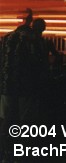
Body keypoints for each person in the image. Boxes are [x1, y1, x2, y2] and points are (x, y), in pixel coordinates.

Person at [0, 8, 33, 159]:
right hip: (24, 84)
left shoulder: (6, 38)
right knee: (23, 117)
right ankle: (21, 148)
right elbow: (32, 63)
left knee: (7, 116)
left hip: (7, 84)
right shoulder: (29, 40)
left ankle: (6, 147)